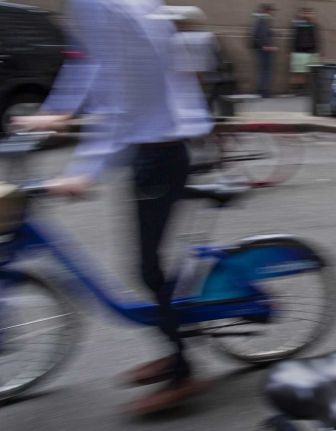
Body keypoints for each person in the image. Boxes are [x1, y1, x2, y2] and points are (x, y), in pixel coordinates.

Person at [13, 0, 212, 414]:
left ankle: (183, 369)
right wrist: (57, 112)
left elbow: (123, 103)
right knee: (144, 265)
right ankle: (171, 339)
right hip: (152, 146)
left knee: (146, 268)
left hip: (159, 150)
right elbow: (92, 63)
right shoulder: (97, 6)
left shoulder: (109, 9)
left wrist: (85, 170)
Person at [290, 7, 320, 95]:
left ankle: (305, 89)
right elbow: (294, 38)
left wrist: (317, 51)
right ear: (301, 14)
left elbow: (315, 38)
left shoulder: (313, 25)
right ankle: (298, 90)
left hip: (311, 52)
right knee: (299, 72)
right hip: (299, 52)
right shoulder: (298, 24)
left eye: (310, 13)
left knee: (309, 72)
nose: (308, 15)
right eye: (305, 13)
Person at [251, 4, 277, 98]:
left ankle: (262, 90)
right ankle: (264, 91)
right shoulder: (262, 20)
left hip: (264, 49)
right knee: (265, 71)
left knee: (263, 70)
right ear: (267, 11)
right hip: (264, 50)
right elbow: (258, 35)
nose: (272, 13)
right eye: (271, 10)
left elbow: (261, 34)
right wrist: (265, 46)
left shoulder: (261, 20)